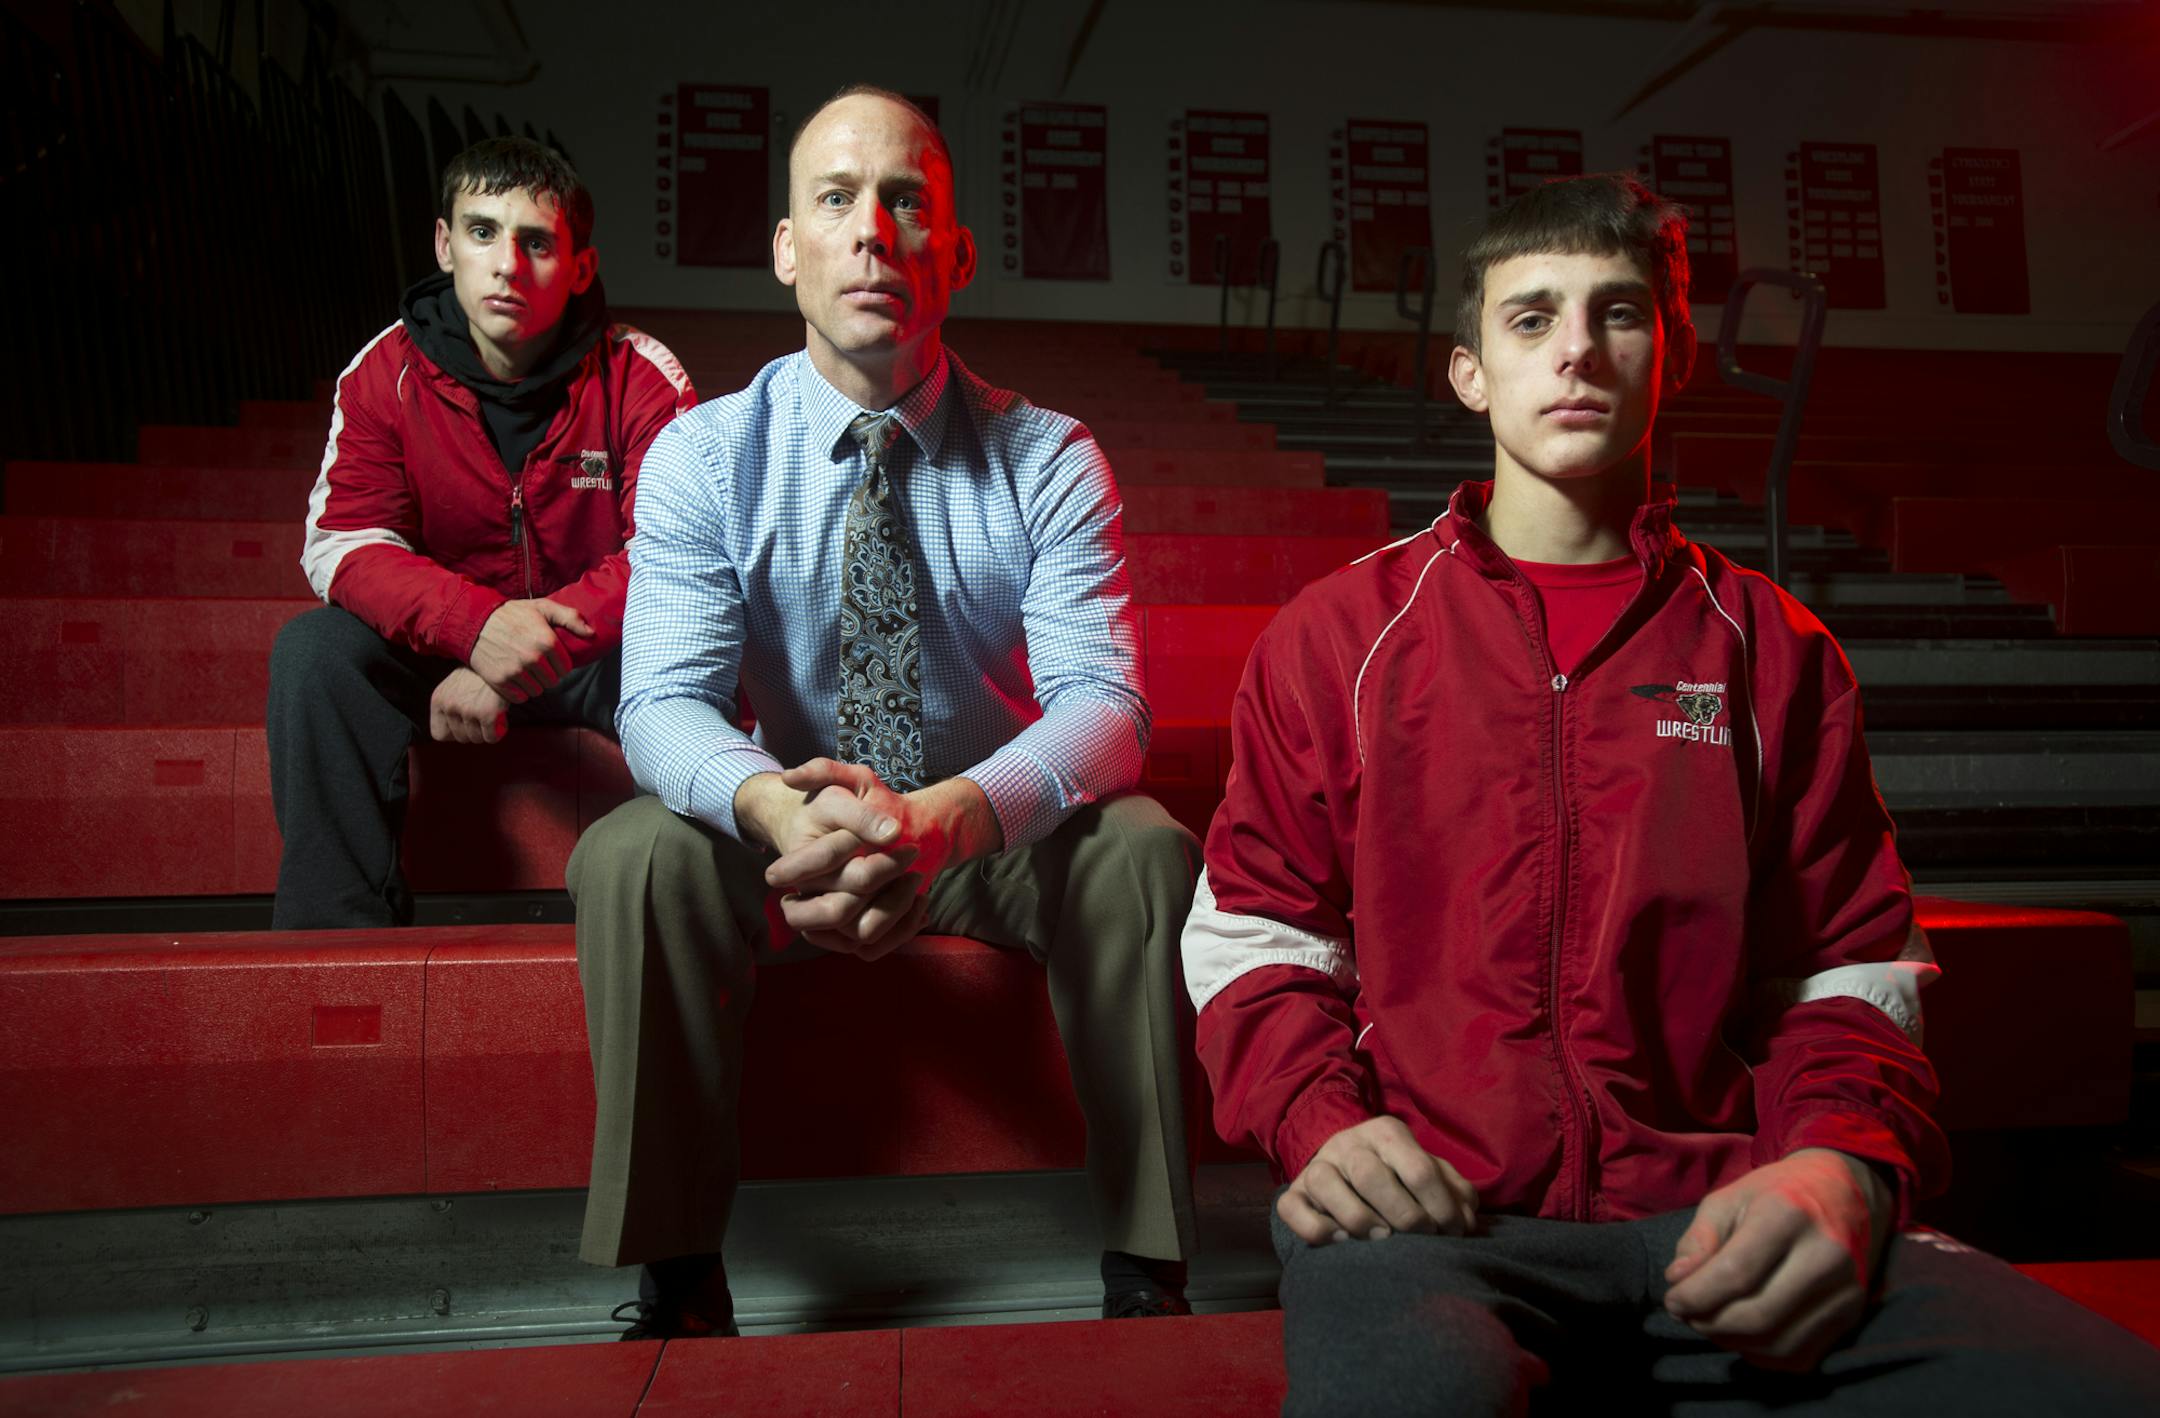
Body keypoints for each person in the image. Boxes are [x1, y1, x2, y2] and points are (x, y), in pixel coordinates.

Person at [1181, 173, 2160, 1414]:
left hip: (1728, 1206)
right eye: (1531, 318)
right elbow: (1258, 932)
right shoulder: (1341, 636)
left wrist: (1841, 1166)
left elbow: (1850, 970)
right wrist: (1322, 1125)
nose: (1577, 348)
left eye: (1619, 313)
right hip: (1434, 1217)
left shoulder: (1773, 646)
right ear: (1469, 371)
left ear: (1676, 354)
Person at [567, 85, 1199, 1339]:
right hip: (786, 820)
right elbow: (661, 705)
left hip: (980, 829)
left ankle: (1149, 1264)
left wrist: (952, 816)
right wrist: (766, 802)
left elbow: (1107, 707)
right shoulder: (706, 452)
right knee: (629, 852)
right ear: (789, 251)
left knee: (1144, 847)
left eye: (906, 200)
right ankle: (679, 1274)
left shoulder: (1053, 455)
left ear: (954, 252)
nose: (873, 230)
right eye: (837, 200)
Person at [268, 137, 695, 929]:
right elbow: (344, 543)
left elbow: (675, 556)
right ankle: (333, 943)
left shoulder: (640, 376)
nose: (507, 264)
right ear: (444, 244)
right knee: (315, 654)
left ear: (580, 268)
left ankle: (706, 906)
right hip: (440, 651)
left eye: (537, 242)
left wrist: (519, 655)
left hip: (599, 655)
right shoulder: (381, 373)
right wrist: (475, 629)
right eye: (483, 232)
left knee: (716, 646)